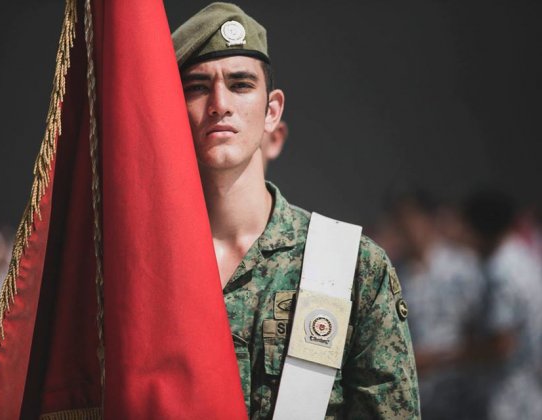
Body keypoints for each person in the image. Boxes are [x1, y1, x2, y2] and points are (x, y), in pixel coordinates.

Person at [172, 3, 420, 418]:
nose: (219, 104)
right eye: (197, 87)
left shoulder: (353, 265)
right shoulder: (140, 265)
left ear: (272, 111)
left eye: (240, 84)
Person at [389, 191, 486, 419]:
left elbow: (480, 325)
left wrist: (446, 356)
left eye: (413, 219)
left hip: (462, 388)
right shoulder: (396, 275)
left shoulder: (462, 267)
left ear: (429, 220)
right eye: (400, 222)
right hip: (419, 395)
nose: (408, 229)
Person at [462, 190, 542, 420]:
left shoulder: (501, 271)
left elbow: (501, 345)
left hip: (512, 399)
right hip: (532, 392)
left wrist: (443, 357)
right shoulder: (524, 258)